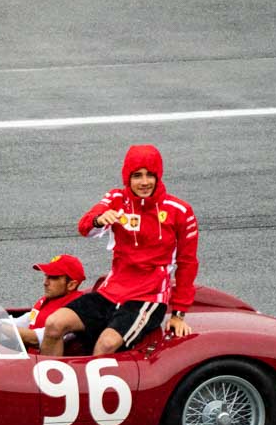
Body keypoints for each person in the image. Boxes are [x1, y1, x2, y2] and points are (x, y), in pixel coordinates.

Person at [40, 144, 199, 357]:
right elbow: (84, 227)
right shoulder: (116, 199)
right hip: (110, 292)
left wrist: (178, 314)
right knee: (53, 325)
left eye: (150, 175)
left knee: (106, 344)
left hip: (148, 298)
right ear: (127, 178)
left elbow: (188, 264)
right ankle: (48, 388)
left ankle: (92, 390)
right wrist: (98, 220)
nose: (144, 182)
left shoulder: (180, 211)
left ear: (158, 176)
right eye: (137, 176)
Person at [12, 255, 86, 349]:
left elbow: (35, 338)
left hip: (50, 361)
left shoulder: (74, 311)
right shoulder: (48, 300)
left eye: (53, 278)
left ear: (71, 285)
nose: (45, 283)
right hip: (32, 358)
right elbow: (25, 320)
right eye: (46, 276)